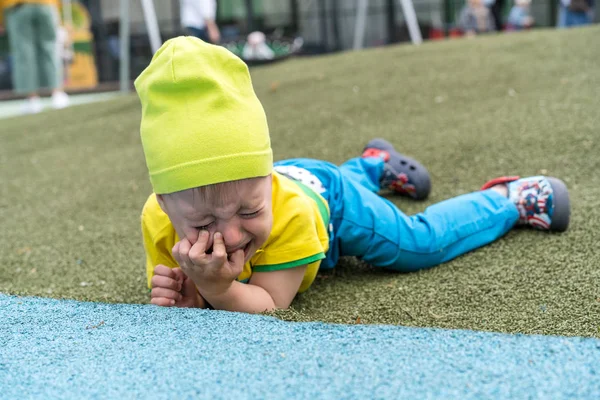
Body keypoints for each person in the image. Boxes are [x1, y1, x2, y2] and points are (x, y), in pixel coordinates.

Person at [136, 37, 570, 313]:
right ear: (164, 206)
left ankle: (510, 199)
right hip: (300, 177)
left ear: (266, 181)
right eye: (206, 224)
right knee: (306, 187)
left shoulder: (287, 215)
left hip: (331, 205)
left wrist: (216, 290)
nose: (230, 237)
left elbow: (269, 301)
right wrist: (187, 294)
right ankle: (375, 163)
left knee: (418, 243)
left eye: (250, 210)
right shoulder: (160, 221)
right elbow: (185, 293)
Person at [0, 0, 70, 114]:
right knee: (50, 49)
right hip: (45, 4)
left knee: (24, 53)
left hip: (17, 6)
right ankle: (57, 94)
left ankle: (32, 99)